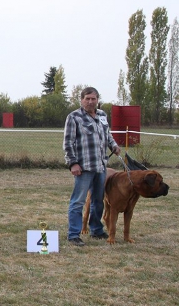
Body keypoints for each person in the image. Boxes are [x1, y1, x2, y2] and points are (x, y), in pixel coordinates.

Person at [63, 86, 120, 246]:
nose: (90, 101)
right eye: (87, 98)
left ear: (97, 100)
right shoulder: (73, 117)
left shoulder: (102, 115)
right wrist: (73, 163)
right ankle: (73, 234)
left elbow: (107, 135)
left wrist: (114, 146)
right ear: (81, 100)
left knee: (98, 200)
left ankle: (96, 229)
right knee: (78, 202)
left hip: (101, 166)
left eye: (93, 98)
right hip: (83, 168)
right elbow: (68, 143)